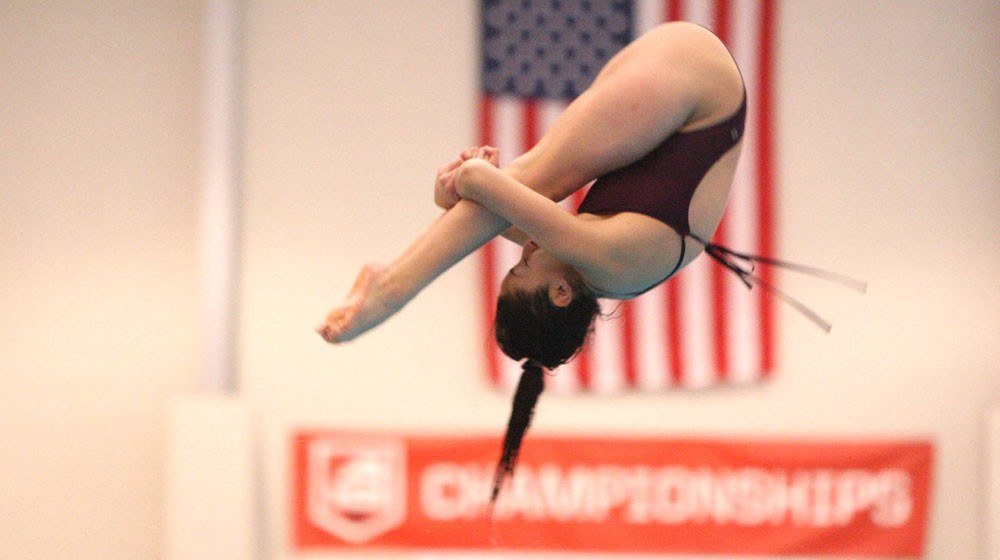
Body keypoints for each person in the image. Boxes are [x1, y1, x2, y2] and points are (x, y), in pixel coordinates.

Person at [315, 22, 859, 507]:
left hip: (679, 83)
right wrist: (465, 185)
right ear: (559, 295)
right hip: (699, 87)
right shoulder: (618, 264)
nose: (524, 252)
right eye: (524, 268)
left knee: (531, 180)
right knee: (537, 175)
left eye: (517, 261)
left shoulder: (595, 266)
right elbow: (493, 187)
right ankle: (392, 292)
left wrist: (450, 199)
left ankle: (394, 285)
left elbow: (499, 212)